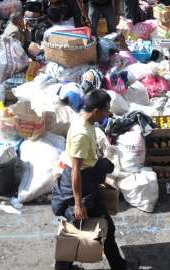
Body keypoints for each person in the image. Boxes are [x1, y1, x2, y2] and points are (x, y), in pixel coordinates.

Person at [51, 90, 130, 270]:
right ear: (95, 111)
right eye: (106, 109)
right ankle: (119, 266)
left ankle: (64, 267)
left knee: (76, 229)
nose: (108, 113)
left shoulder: (84, 121)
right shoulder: (81, 134)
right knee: (87, 229)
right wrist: (79, 204)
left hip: (86, 181)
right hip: (79, 187)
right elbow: (75, 171)